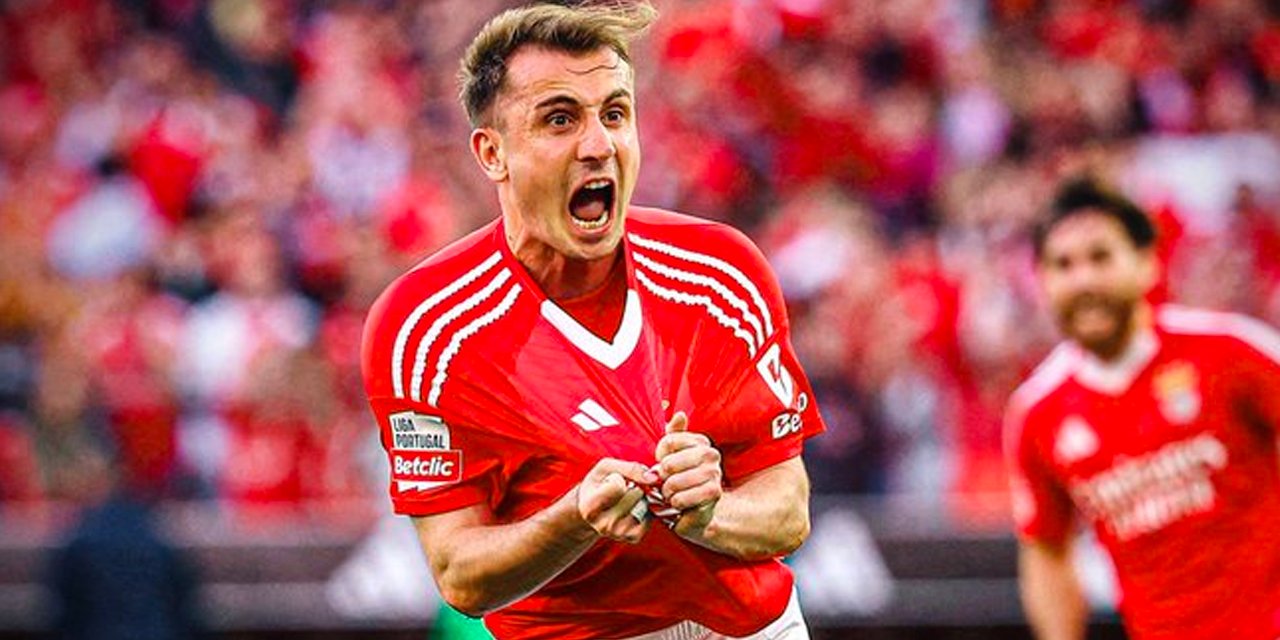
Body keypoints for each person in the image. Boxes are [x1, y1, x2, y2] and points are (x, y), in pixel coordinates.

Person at [359, 3, 824, 639]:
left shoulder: (721, 273)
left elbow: (789, 510)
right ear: (492, 153)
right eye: (560, 119)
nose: (599, 145)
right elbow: (459, 574)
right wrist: (576, 517)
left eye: (615, 113)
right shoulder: (425, 327)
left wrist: (709, 515)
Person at [1004, 177, 1280, 640]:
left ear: (1147, 263)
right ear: (1043, 282)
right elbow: (1046, 552)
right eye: (1063, 265)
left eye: (1100, 257)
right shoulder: (1037, 413)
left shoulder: (1229, 350)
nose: (1083, 280)